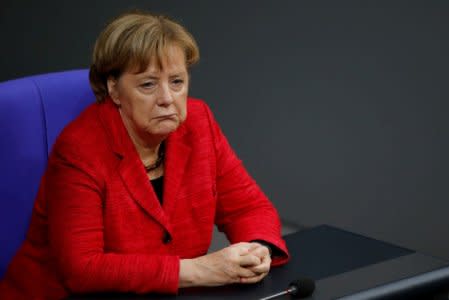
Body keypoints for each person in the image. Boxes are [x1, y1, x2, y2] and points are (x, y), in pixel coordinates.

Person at [0, 11, 289, 299]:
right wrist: (199, 270)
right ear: (113, 88)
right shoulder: (80, 149)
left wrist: (257, 248)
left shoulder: (199, 123)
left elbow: (248, 208)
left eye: (177, 82)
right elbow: (82, 268)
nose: (167, 98)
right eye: (148, 84)